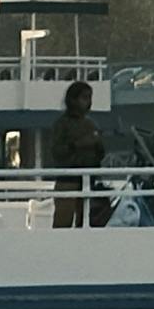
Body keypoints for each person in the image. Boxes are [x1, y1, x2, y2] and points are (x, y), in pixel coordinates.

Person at [49, 71, 111, 228]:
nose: (88, 102)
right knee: (63, 222)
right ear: (73, 100)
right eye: (84, 98)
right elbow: (57, 152)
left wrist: (97, 144)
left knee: (86, 222)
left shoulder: (91, 124)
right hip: (67, 181)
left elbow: (100, 154)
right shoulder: (62, 124)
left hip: (88, 180)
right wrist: (78, 144)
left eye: (90, 98)